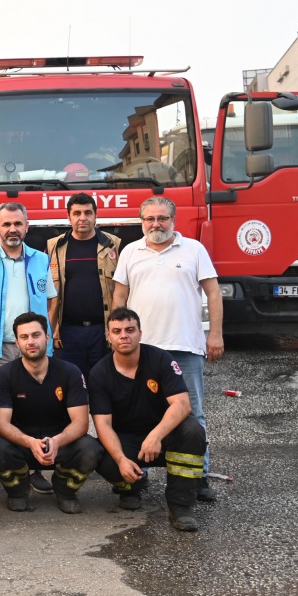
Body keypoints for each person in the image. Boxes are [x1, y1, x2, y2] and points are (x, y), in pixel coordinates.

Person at [112, 196, 223, 502]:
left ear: (173, 220)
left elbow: (214, 293)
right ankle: (139, 475)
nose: (156, 224)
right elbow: (119, 297)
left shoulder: (194, 250)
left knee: (193, 413)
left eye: (162, 218)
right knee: (140, 413)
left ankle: (198, 477)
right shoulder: (130, 252)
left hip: (184, 346)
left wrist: (215, 334)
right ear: (141, 221)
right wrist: (117, 338)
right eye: (149, 219)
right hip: (141, 350)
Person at [90, 308, 208, 532]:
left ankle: (181, 505)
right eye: (117, 331)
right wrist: (121, 460)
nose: (124, 336)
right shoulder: (99, 372)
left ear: (140, 333)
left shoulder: (161, 359)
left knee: (192, 431)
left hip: (163, 434)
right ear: (108, 337)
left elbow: (182, 404)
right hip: (126, 439)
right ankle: (130, 488)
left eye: (130, 330)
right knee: (100, 456)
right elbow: (102, 424)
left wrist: (156, 436)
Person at [0, 313, 104, 514]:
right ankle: (18, 490)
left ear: (47, 337)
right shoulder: (5, 374)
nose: (31, 341)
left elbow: (81, 422)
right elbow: (1, 424)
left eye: (36, 335)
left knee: (90, 449)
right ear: (17, 343)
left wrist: (57, 441)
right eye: (24, 337)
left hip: (60, 440)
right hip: (21, 443)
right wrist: (29, 442)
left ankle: (65, 490)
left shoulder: (70, 372)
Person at [0, 202, 57, 424]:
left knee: (33, 405)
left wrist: (41, 335)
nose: (12, 229)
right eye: (6, 224)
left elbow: (49, 300)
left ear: (27, 226)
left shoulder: (41, 259)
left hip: (31, 346)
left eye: (18, 223)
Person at [46, 192, 121, 375]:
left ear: (96, 215)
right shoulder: (53, 247)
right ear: (68, 217)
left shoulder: (114, 245)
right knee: (71, 383)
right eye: (77, 213)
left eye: (88, 213)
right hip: (67, 332)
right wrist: (52, 330)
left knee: (103, 382)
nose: (82, 218)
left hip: (103, 331)